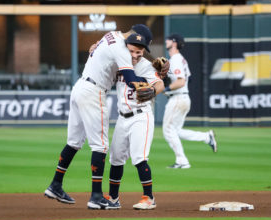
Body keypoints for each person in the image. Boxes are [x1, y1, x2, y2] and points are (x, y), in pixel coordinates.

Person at [44, 24, 159, 210]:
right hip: (94, 91)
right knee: (100, 146)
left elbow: (97, 51)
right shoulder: (122, 48)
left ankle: (56, 184)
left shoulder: (111, 35)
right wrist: (148, 83)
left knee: (74, 142)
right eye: (140, 45)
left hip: (80, 86)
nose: (138, 51)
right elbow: (130, 78)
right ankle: (96, 196)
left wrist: (156, 70)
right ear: (135, 37)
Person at [106, 33, 164, 210]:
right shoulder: (120, 62)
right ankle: (113, 198)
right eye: (132, 51)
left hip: (141, 116)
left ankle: (149, 197)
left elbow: (160, 84)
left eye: (139, 52)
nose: (135, 55)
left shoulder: (146, 66)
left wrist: (153, 92)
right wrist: (94, 47)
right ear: (126, 48)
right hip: (122, 118)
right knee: (115, 158)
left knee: (139, 158)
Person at [162, 33, 217, 169]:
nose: (166, 41)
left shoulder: (175, 59)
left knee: (168, 130)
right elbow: (189, 79)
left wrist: (165, 88)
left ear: (174, 43)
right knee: (176, 130)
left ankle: (182, 161)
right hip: (184, 97)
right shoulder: (181, 59)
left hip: (178, 98)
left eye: (169, 39)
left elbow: (181, 82)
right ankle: (206, 137)